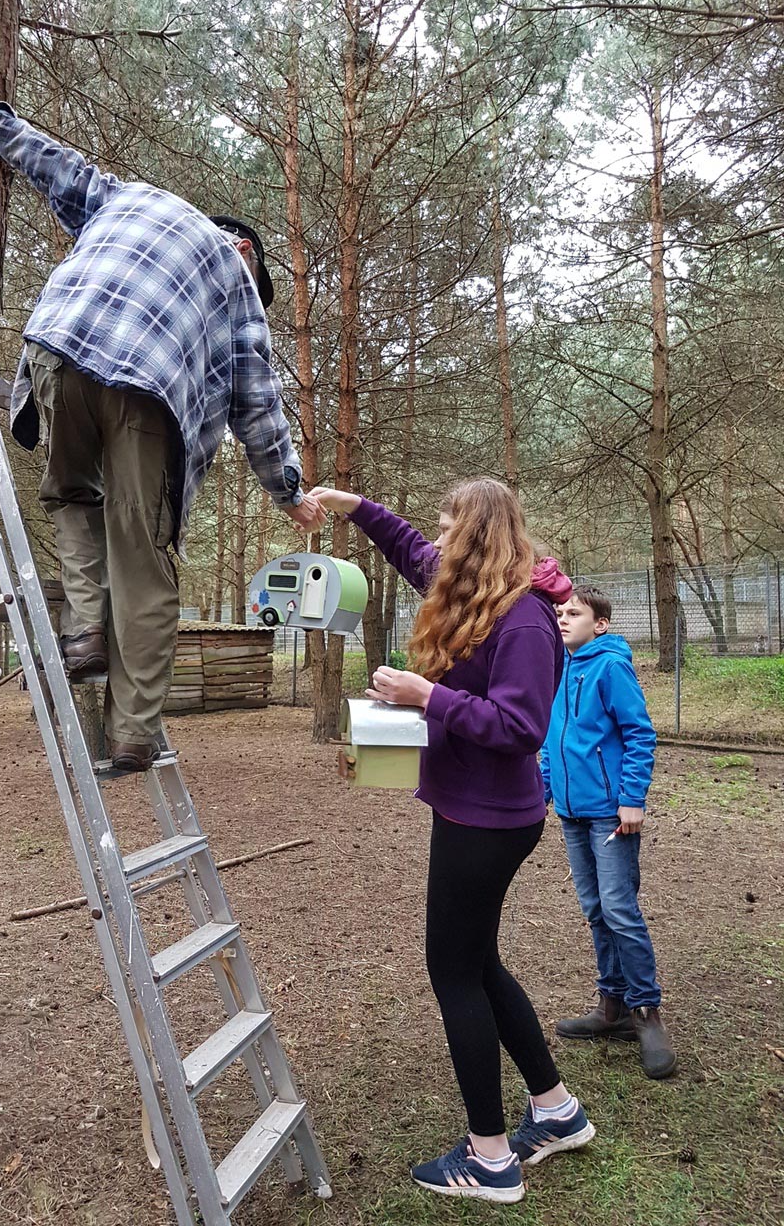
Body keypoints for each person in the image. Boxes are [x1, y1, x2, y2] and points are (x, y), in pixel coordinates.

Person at [0, 80, 324, 770]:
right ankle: (132, 733)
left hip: (62, 348)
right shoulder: (240, 289)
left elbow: (45, 158)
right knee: (146, 566)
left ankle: (87, 632)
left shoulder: (137, 199)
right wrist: (288, 491)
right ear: (247, 251)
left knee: (71, 492)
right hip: (151, 399)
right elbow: (258, 406)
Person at [308, 479, 593, 1204]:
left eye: (447, 526)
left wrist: (425, 696)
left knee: (454, 971)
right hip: (472, 810)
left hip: (490, 820)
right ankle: (556, 1111)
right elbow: (408, 549)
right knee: (478, 962)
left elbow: (520, 728)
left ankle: (491, 1158)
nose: (434, 537)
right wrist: (350, 504)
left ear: (475, 535)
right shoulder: (476, 591)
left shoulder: (525, 619)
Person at [541, 587, 676, 1079]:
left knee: (620, 908)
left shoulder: (610, 665)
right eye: (559, 612)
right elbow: (550, 736)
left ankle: (647, 1013)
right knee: (595, 909)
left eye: (573, 613)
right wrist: (544, 788)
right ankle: (611, 1007)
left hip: (610, 814)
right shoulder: (560, 665)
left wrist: (633, 799)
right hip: (572, 814)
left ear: (599, 623)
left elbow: (639, 733)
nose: (562, 619)